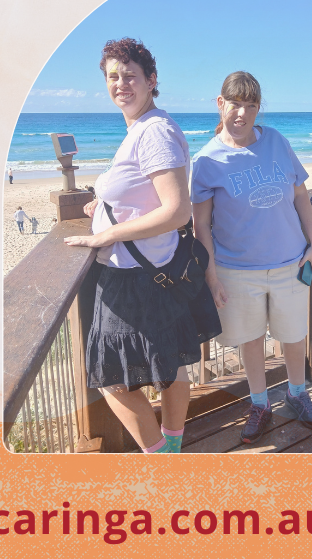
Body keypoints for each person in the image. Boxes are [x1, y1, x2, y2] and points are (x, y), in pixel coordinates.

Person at [64, 37, 219, 454]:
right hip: (153, 271)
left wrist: (106, 234)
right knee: (170, 369)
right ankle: (171, 447)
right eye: (113, 77)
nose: (121, 84)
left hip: (137, 280)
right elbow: (147, 193)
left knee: (111, 380)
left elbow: (177, 211)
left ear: (152, 80)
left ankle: (161, 458)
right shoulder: (144, 128)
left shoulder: (154, 132)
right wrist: (107, 204)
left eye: (130, 75)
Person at [190, 72, 312, 444]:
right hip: (237, 271)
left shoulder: (277, 142)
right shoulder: (205, 161)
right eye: (236, 104)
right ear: (221, 104)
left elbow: (301, 196)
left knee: (294, 336)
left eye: (252, 106)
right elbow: (201, 226)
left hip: (291, 263)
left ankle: (297, 394)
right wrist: (212, 277)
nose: (243, 114)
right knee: (250, 339)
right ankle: (260, 403)